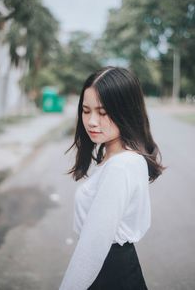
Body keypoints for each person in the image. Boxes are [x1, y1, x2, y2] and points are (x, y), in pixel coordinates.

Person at [59, 66, 165, 290]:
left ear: (126, 110)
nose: (91, 121)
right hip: (113, 268)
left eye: (103, 112)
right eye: (86, 111)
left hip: (108, 272)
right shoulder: (116, 156)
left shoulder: (121, 165)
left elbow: (93, 246)